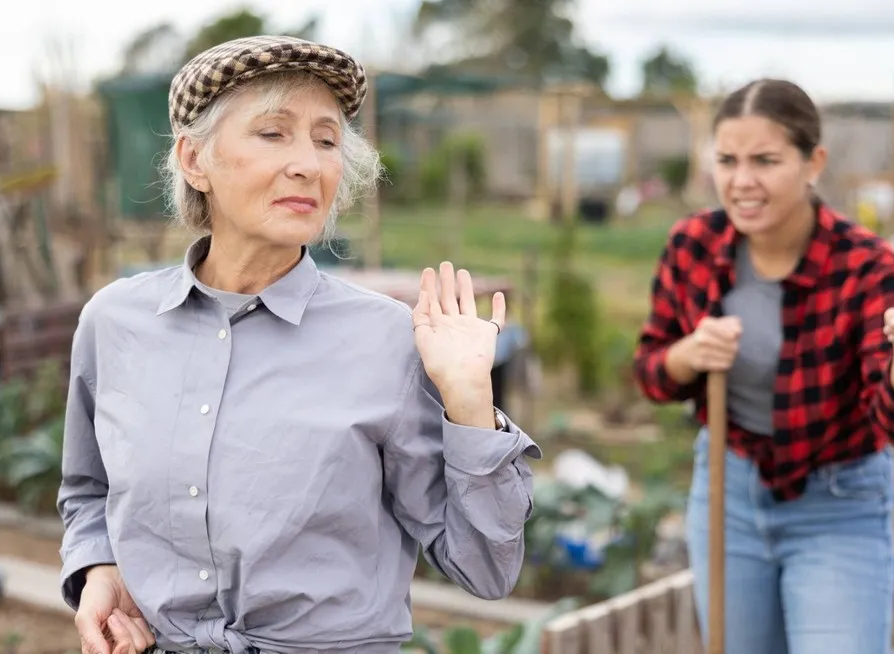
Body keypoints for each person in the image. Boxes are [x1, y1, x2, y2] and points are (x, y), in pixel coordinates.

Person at [58, 35, 541, 654]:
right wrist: (99, 567)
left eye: (327, 139)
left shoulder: (387, 341)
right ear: (194, 159)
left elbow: (485, 567)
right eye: (272, 133)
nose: (309, 165)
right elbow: (87, 489)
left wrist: (471, 403)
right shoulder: (114, 323)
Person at [633, 78, 894, 654]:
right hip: (727, 490)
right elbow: (651, 372)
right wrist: (687, 354)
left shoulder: (867, 267)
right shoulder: (693, 246)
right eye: (727, 160)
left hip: (839, 502)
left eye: (765, 160)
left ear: (813, 163)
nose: (742, 180)